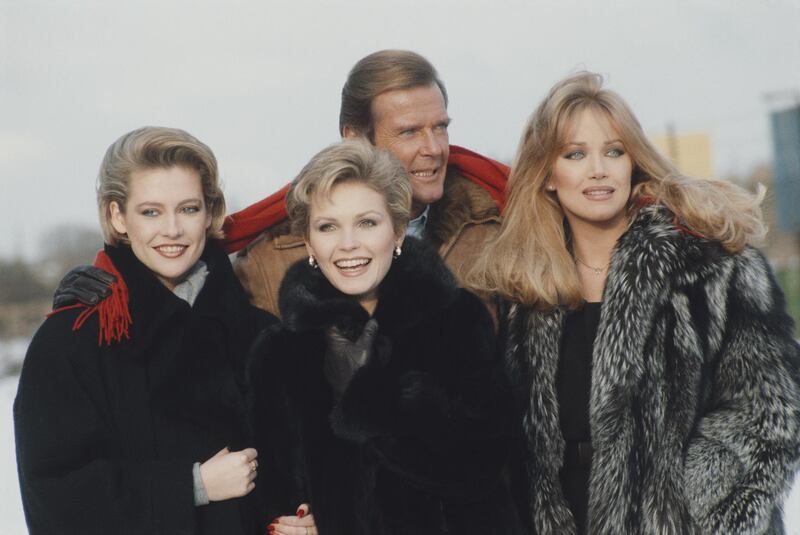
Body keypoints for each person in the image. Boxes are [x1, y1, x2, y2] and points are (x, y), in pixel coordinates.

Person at [468, 72, 800, 534]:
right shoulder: (524, 293)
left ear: (633, 163)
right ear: (546, 175)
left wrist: (690, 514)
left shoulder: (711, 268)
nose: (598, 169)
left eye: (614, 151)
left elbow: (769, 415)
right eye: (575, 154)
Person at [14, 127, 278, 534]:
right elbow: (55, 494)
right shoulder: (73, 339)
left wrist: (306, 514)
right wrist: (191, 486)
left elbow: (304, 458)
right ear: (118, 216)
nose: (172, 230)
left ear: (210, 213)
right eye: (150, 212)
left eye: (188, 209)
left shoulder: (259, 331)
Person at [249, 140, 521, 535]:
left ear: (396, 233)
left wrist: (370, 403)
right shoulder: (277, 353)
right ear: (309, 243)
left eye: (367, 223)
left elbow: (484, 468)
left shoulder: (457, 321)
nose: (348, 244)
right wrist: (285, 522)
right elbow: (274, 492)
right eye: (328, 227)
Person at [227, 49, 508, 316]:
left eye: (440, 127)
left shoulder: (497, 231)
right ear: (355, 140)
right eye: (409, 132)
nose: (434, 148)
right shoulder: (267, 262)